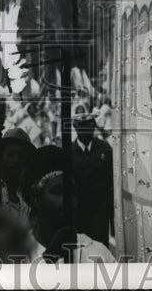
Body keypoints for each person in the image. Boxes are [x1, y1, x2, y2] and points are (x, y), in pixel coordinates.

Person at [21, 146, 115, 264]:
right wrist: (50, 257)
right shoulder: (17, 253)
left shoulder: (97, 253)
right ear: (35, 198)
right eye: (57, 191)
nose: (67, 200)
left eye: (72, 192)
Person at [71, 111, 113, 246]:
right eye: (81, 125)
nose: (85, 128)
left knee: (102, 249)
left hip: (100, 213)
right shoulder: (68, 151)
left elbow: (112, 180)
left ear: (94, 125)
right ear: (75, 126)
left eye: (88, 124)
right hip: (78, 214)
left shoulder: (105, 148)